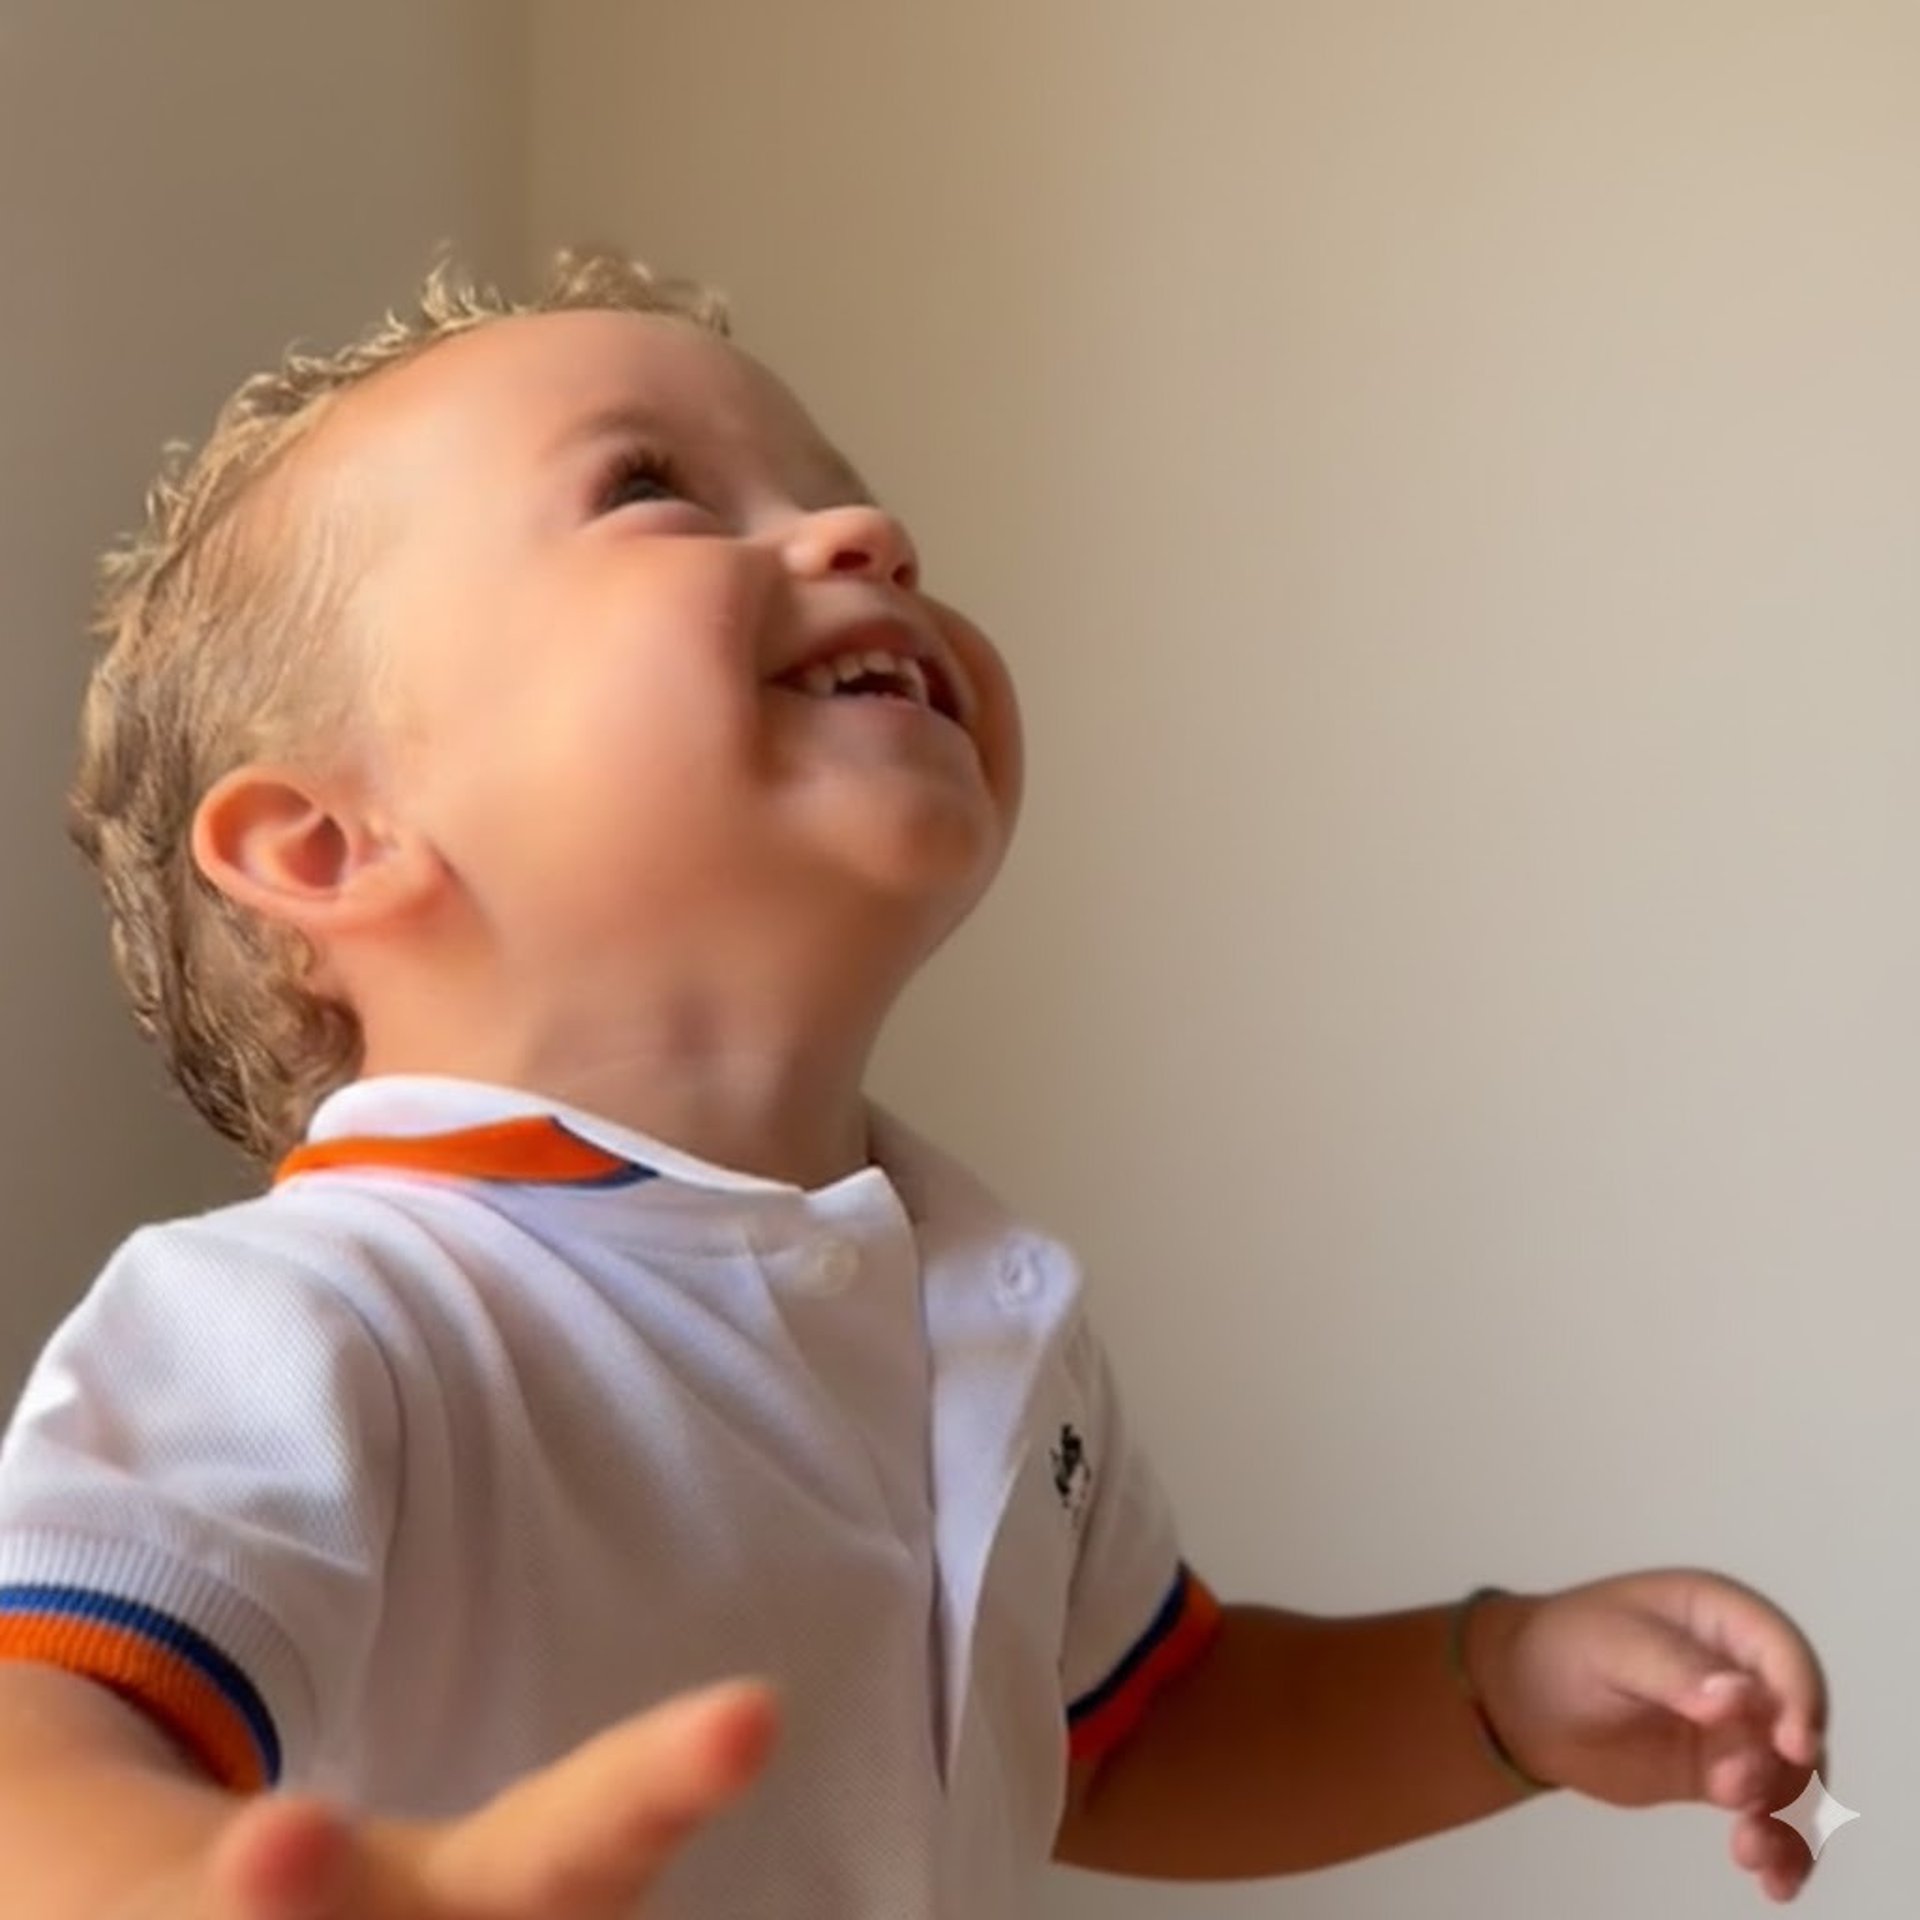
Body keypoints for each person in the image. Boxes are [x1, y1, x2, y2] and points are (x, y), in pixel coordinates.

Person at [0, 252, 1828, 1918]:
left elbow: (1133, 1736)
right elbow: (39, 1743)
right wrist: (200, 1883)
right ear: (330, 844)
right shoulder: (311, 1324)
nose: (866, 528)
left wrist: (1490, 1688)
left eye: (842, 492)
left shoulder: (973, 1304)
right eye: (650, 488)